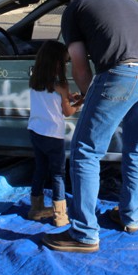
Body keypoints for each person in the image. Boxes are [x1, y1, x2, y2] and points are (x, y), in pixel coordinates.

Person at [42, 0, 138, 253]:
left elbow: (79, 64)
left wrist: (90, 96)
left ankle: (84, 234)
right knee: (137, 148)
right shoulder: (127, 1)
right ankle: (131, 216)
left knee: (85, 151)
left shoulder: (75, 8)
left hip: (123, 73)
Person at [27, 40, 83, 227]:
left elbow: (52, 98)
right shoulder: (62, 84)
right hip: (53, 135)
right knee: (58, 174)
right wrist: (79, 103)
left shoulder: (35, 80)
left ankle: (35, 209)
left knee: (40, 169)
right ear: (58, 63)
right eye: (65, 62)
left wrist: (68, 98)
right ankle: (60, 216)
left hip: (36, 131)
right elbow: (67, 112)